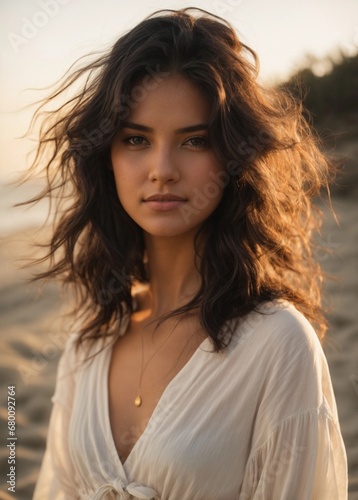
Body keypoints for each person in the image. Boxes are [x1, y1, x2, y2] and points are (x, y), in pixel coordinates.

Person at [30, 7, 348, 499]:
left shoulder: (278, 345)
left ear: (233, 157)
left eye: (194, 141)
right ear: (107, 157)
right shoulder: (87, 345)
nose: (161, 169)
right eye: (136, 139)